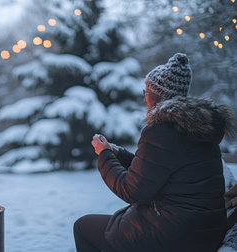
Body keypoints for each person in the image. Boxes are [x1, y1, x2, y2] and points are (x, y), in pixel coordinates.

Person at [73, 53, 235, 252]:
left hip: (175, 235)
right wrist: (118, 153)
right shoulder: (199, 129)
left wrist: (104, 155)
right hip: (205, 231)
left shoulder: (160, 130)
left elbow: (132, 191)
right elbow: (156, 171)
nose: (144, 99)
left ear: (158, 96)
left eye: (146, 92)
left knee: (82, 227)